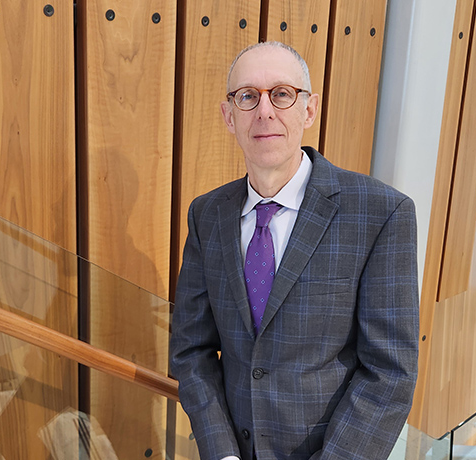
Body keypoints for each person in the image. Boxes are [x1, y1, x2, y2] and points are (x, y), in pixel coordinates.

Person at [169, 41, 419, 460]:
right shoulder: (206, 214)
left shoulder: (381, 213)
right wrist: (222, 453)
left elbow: (390, 373)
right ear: (229, 116)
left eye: (282, 94)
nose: (264, 111)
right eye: (247, 96)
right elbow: (190, 351)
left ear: (309, 110)